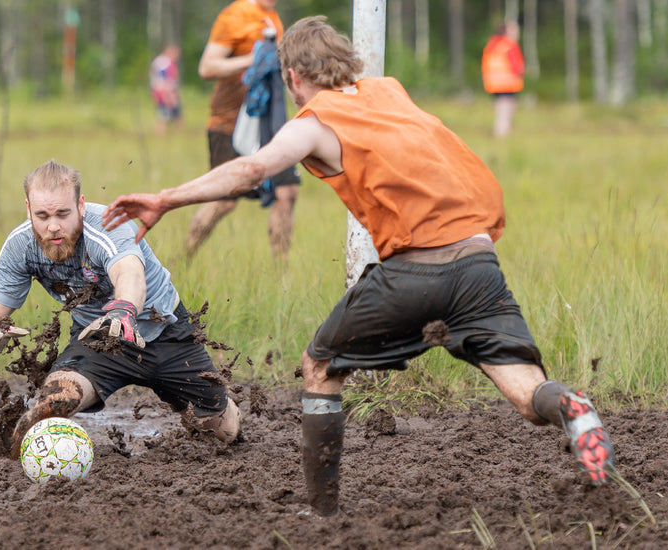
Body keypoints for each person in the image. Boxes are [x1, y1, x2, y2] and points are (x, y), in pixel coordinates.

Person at [103, 16, 616, 517]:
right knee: (527, 394)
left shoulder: (315, 121)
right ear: (348, 63)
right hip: (480, 261)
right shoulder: (389, 90)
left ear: (292, 77)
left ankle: (322, 509)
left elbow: (254, 168)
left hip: (417, 268)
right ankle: (573, 407)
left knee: (321, 366)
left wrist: (166, 199)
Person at [0, 160, 240, 458]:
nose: (54, 226)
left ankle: (217, 403)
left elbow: (130, 274)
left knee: (222, 433)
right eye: (42, 215)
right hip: (96, 339)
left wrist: (124, 310)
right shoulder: (20, 246)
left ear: (81, 205)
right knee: (52, 404)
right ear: (28, 209)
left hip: (164, 333)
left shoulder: (110, 225)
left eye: (63, 213)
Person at [188, 0, 301, 260]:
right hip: (230, 123)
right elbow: (207, 67)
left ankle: (280, 277)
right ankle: (182, 259)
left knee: (286, 193)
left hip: (268, 124)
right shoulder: (234, 15)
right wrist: (254, 59)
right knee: (224, 199)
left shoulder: (271, 14)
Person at [481, 21, 524, 139]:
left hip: (493, 84)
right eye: (514, 30)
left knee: (499, 109)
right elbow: (516, 67)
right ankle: (503, 133)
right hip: (508, 84)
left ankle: (498, 131)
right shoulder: (509, 45)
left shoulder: (492, 45)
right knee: (507, 109)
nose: (517, 33)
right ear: (507, 32)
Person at [150, 44, 183, 134]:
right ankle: (162, 133)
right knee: (165, 113)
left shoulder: (161, 61)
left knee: (172, 113)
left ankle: (176, 134)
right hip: (164, 92)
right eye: (176, 53)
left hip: (163, 91)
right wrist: (169, 94)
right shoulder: (164, 62)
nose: (177, 56)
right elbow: (164, 80)